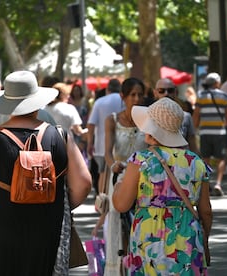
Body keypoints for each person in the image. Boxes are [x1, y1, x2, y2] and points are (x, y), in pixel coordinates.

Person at [0, 70, 92, 275]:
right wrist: (55, 200)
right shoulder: (60, 136)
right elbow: (83, 183)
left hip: (1, 231)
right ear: (37, 102)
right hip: (50, 227)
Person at [112, 97, 212, 275]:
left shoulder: (140, 161)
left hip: (149, 237)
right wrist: (205, 240)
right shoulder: (196, 162)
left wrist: (118, 185)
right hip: (188, 237)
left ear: (150, 131)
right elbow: (206, 211)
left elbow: (121, 204)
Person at [93, 77, 148, 275]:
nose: (136, 98)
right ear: (123, 97)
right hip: (119, 178)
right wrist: (112, 164)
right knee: (117, 227)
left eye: (140, 95)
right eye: (132, 94)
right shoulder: (113, 120)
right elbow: (107, 152)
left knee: (142, 226)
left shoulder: (149, 119)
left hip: (145, 179)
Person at [193, 73, 227, 196]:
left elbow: (196, 114)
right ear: (217, 83)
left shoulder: (201, 95)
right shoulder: (224, 96)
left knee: (205, 158)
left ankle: (207, 184)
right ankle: (218, 183)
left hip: (205, 132)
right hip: (219, 132)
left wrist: (194, 129)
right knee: (221, 158)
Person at [87, 79, 123, 195]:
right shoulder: (124, 100)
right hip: (122, 144)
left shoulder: (99, 102)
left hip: (101, 145)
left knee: (103, 173)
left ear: (107, 89)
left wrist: (90, 143)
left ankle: (102, 203)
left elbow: (91, 123)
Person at [154, 78, 198, 153]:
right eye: (161, 91)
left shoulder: (186, 117)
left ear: (175, 92)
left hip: (182, 161)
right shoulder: (149, 116)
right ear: (155, 93)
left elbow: (192, 145)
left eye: (170, 90)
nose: (166, 94)